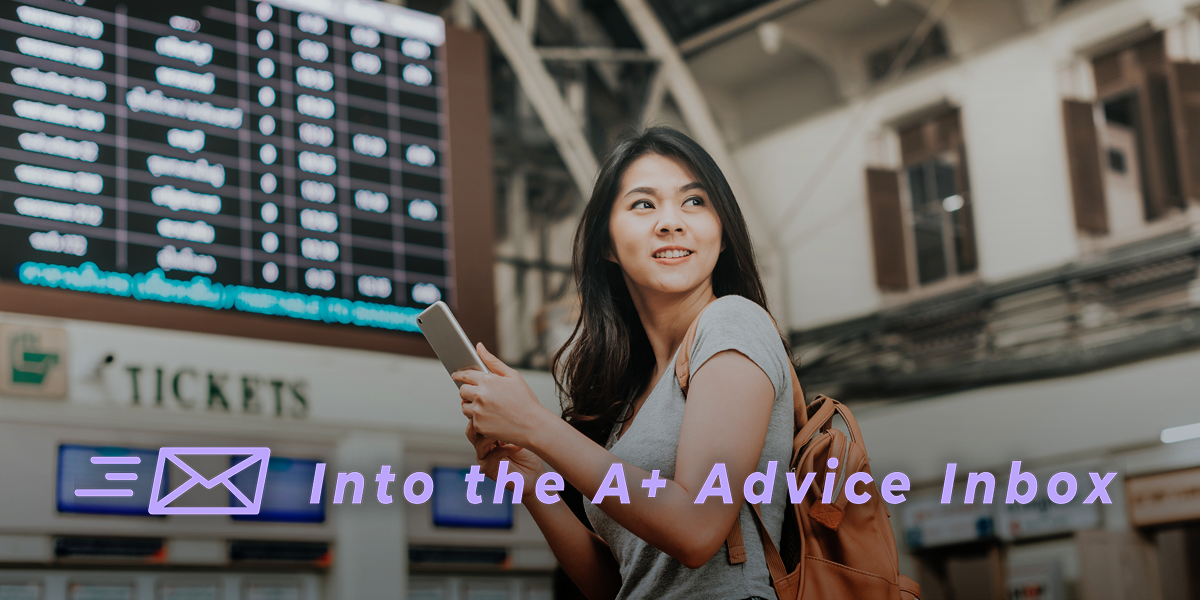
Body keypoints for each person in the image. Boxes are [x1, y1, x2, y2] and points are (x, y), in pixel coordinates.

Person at [453, 126, 795, 600]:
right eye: (643, 204)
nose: (672, 222)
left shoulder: (732, 322)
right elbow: (622, 585)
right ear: (608, 246)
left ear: (722, 233)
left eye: (694, 201)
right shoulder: (636, 393)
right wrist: (534, 484)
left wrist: (535, 424)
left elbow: (696, 527)